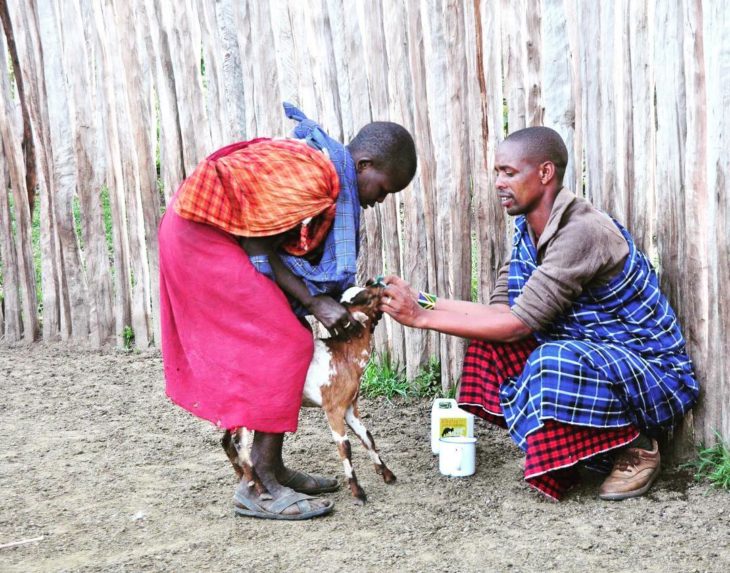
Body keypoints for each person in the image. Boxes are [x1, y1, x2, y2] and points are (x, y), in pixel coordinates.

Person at [381, 126, 698, 501]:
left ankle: (638, 446)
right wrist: (423, 300)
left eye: (509, 173)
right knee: (488, 343)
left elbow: (516, 325)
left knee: (552, 360)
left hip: (654, 375)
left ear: (545, 173)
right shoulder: (526, 227)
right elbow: (498, 313)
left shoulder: (582, 232)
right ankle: (588, 450)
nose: (498, 182)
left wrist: (420, 317)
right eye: (497, 172)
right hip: (595, 358)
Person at [158, 103, 417, 519]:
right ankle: (258, 486)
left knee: (287, 332)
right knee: (284, 341)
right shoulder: (316, 177)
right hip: (200, 238)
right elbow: (258, 247)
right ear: (364, 164)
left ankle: (271, 468)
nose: (378, 200)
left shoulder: (327, 173)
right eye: (382, 188)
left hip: (211, 233)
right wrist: (315, 301)